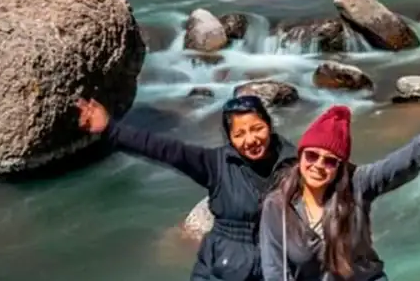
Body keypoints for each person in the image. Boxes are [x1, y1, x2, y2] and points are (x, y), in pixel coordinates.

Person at [75, 95, 297, 281]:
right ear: (230, 138)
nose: (250, 140)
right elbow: (166, 150)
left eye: (257, 128)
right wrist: (112, 129)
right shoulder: (217, 165)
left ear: (269, 126)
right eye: (239, 134)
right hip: (220, 272)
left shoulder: (296, 165)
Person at [259, 97, 420, 281]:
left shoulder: (357, 184)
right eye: (312, 155)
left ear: (340, 166)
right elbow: (274, 270)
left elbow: (401, 163)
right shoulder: (278, 206)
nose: (318, 165)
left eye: (330, 161)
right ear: (300, 155)